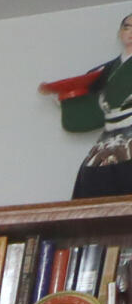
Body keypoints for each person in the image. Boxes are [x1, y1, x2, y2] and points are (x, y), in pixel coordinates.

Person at [43, 11, 132, 200]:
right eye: (127, 27)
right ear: (120, 33)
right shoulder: (101, 72)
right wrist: (67, 96)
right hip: (110, 136)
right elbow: (93, 112)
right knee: (92, 177)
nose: (131, 32)